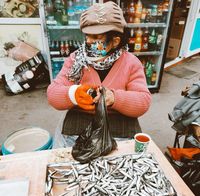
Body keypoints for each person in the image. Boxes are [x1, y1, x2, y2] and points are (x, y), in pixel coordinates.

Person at [47, 1, 152, 148]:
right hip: (78, 123)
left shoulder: (131, 63)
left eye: (96, 38)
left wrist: (114, 98)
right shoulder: (76, 59)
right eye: (87, 36)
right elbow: (53, 94)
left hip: (118, 126)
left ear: (115, 41)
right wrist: (73, 94)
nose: (88, 41)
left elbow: (143, 101)